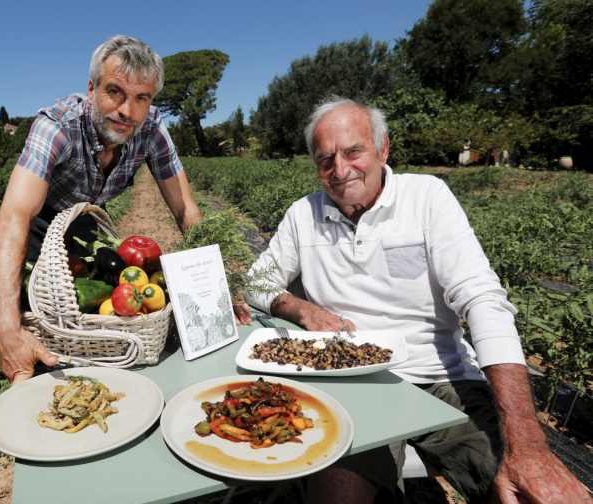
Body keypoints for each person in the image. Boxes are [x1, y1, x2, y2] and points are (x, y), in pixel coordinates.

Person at [238, 96, 591, 503]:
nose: (340, 170)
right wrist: (302, 308)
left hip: (442, 376)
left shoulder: (426, 197)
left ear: (382, 148)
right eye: (325, 159)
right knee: (338, 491)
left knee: (519, 487)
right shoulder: (303, 214)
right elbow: (256, 283)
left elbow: (481, 298)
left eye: (353, 152)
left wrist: (529, 448)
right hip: (352, 381)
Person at [0, 35, 201, 387]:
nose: (127, 111)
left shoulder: (151, 128)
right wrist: (6, 329)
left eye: (141, 97)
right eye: (115, 91)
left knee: (95, 309)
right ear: (91, 88)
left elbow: (186, 210)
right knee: (39, 324)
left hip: (87, 218)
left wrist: (216, 289)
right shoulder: (57, 126)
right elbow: (14, 216)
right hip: (38, 225)